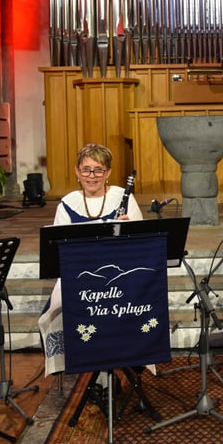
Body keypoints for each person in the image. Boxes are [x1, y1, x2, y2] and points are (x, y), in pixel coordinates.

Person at [38, 143, 144, 376]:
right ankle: (86, 369)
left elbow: (141, 248)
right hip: (80, 277)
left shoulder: (123, 198)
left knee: (135, 305)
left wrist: (129, 232)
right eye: (86, 170)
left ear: (107, 173)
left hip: (118, 276)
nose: (92, 176)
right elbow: (57, 249)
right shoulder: (67, 204)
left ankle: (125, 363)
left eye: (98, 170)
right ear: (77, 172)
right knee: (59, 311)